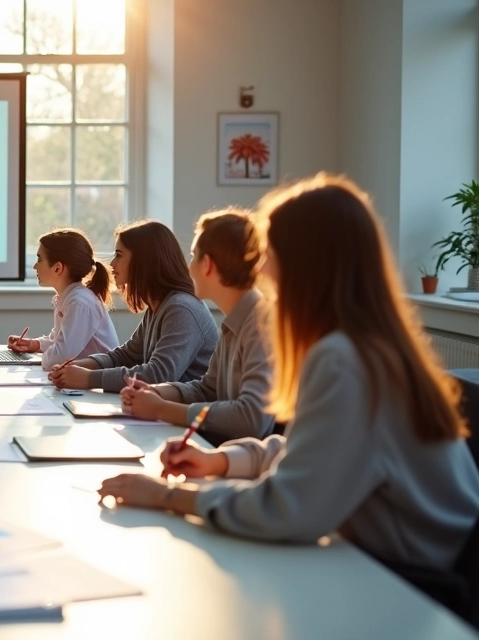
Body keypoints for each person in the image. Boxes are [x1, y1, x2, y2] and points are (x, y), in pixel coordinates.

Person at [98, 174, 479, 571]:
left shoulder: (344, 359)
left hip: (417, 587)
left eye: (269, 252)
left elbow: (287, 508)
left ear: (302, 262)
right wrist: (222, 463)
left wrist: (167, 496)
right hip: (401, 565)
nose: (261, 267)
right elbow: (313, 450)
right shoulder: (367, 344)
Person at [120, 209, 275, 443]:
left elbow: (252, 419)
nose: (189, 267)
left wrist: (162, 409)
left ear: (208, 265)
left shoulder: (261, 324)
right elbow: (207, 390)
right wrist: (159, 391)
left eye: (193, 256)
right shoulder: (236, 320)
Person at [49, 219, 218, 392]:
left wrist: (88, 378)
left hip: (186, 415)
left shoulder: (182, 309)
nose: (112, 264)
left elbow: (159, 374)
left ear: (144, 260)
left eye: (119, 255)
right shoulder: (160, 305)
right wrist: (74, 367)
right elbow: (126, 356)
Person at [5, 228, 119, 368]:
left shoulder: (79, 302)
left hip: (97, 385)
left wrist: (32, 360)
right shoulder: (69, 297)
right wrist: (34, 345)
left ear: (58, 268)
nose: (35, 266)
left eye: (39, 259)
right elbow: (59, 342)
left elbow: (60, 356)